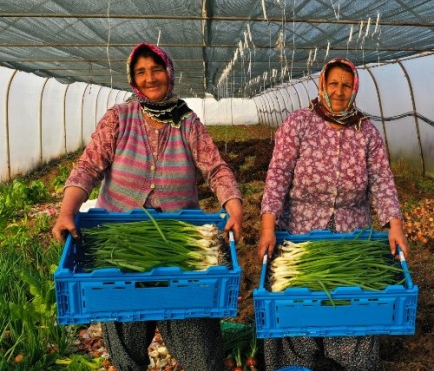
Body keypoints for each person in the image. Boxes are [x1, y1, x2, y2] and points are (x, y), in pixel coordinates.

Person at [51, 42, 244, 371]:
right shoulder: (118, 118)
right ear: (133, 79)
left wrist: (234, 205)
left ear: (168, 73)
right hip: (120, 244)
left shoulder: (187, 121)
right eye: (141, 72)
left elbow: (216, 168)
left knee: (200, 347)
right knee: (126, 342)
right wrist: (67, 211)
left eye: (156, 70)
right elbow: (88, 166)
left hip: (179, 241)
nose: (150, 78)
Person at [257, 57, 409, 371]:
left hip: (351, 235)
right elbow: (277, 176)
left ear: (355, 89)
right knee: (301, 300)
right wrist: (267, 226)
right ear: (322, 85)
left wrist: (395, 223)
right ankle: (301, 362)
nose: (339, 91)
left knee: (348, 299)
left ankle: (348, 362)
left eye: (346, 85)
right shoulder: (298, 122)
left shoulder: (366, 130)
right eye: (333, 83)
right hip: (301, 232)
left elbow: (381, 178)